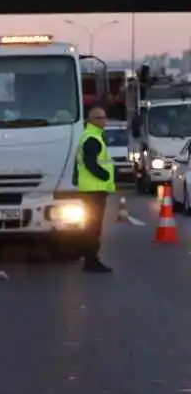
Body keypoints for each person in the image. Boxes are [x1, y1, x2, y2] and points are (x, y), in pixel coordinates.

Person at [75, 105, 114, 274]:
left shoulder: (93, 136)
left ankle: (89, 258)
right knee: (93, 227)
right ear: (92, 120)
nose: (105, 120)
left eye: (105, 117)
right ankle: (91, 261)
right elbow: (90, 163)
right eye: (101, 118)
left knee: (91, 226)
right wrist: (104, 175)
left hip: (92, 189)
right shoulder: (92, 138)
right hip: (94, 189)